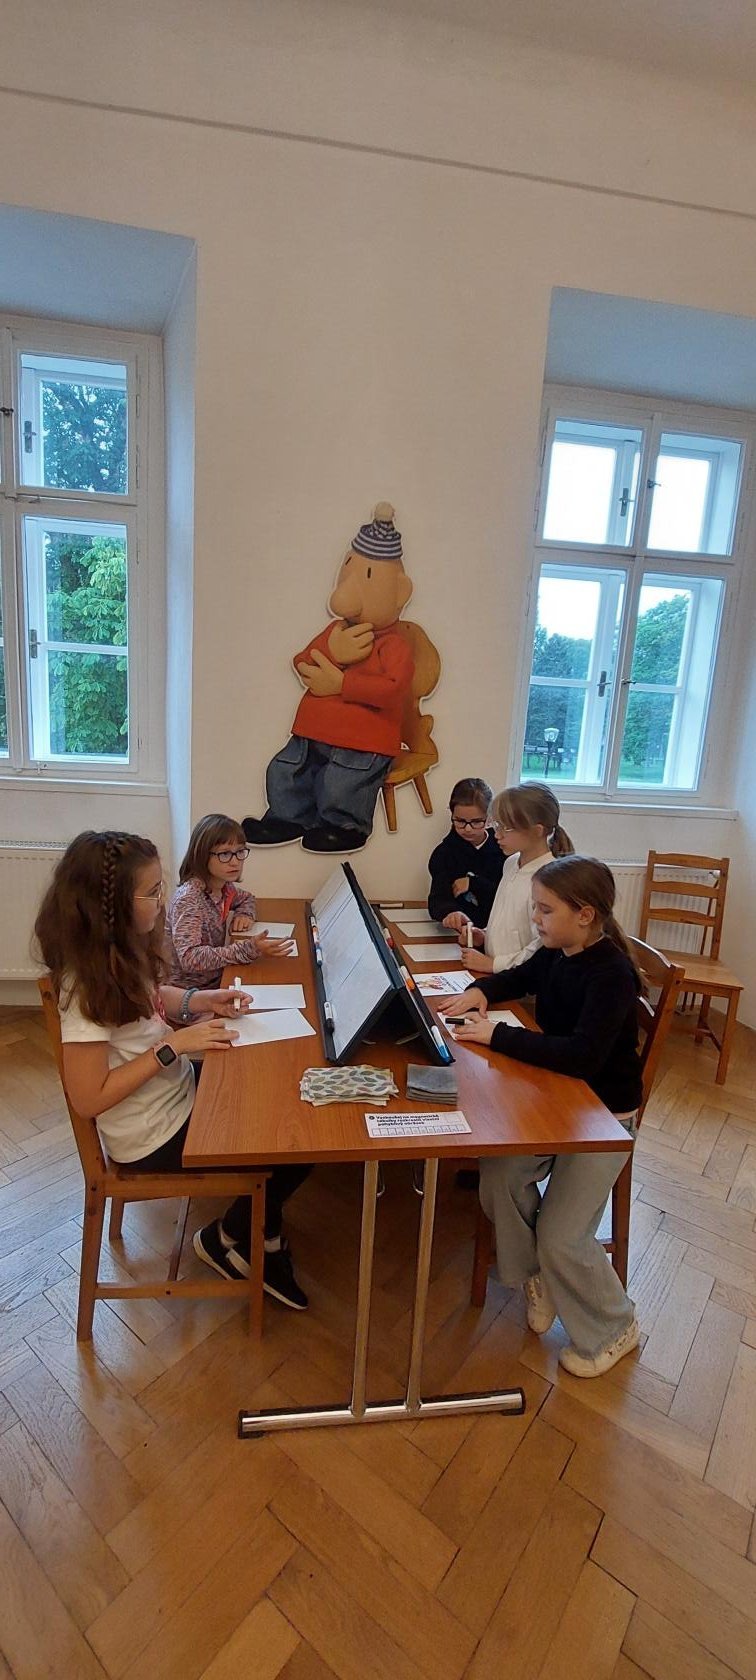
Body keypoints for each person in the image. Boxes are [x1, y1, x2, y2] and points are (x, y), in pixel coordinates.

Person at [34, 830, 309, 1310]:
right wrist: (173, 1046)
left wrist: (202, 999)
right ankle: (238, 1238)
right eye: (152, 892)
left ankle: (247, 1234)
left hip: (175, 1096)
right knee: (292, 1142)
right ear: (112, 907)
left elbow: (150, 999)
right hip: (151, 1135)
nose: (163, 901)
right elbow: (88, 1098)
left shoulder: (118, 953)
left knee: (283, 1105)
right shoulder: (83, 989)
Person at [440, 855, 642, 1377]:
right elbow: (518, 976)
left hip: (602, 1119)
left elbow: (582, 1056)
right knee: (500, 1173)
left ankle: (615, 1326)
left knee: (562, 1235)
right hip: (557, 1099)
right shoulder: (558, 951)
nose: (535, 919)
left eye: (545, 910)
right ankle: (539, 1275)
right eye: (535, 907)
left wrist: (498, 1035)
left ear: (585, 915)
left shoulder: (612, 974)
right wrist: (479, 991)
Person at [444, 782, 573, 976]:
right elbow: (508, 921)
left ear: (537, 830)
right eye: (497, 825)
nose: (497, 835)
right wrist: (484, 935)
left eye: (506, 828)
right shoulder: (511, 862)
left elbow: (541, 949)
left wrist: (494, 964)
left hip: (519, 983)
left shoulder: (551, 879)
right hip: (495, 974)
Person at [165, 813, 293, 991]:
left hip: (215, 978)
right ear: (202, 856)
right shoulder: (189, 899)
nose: (235, 862)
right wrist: (246, 949)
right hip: (189, 991)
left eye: (240, 852)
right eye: (225, 854)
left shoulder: (224, 887)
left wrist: (245, 914)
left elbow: (246, 898)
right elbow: (190, 958)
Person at [427, 778, 503, 925]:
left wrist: (474, 883)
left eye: (476, 822)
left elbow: (508, 895)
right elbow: (437, 900)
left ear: (489, 818)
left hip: (498, 928)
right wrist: (451, 913)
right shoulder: (443, 854)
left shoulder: (503, 848)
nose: (468, 829)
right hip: (461, 931)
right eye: (460, 821)